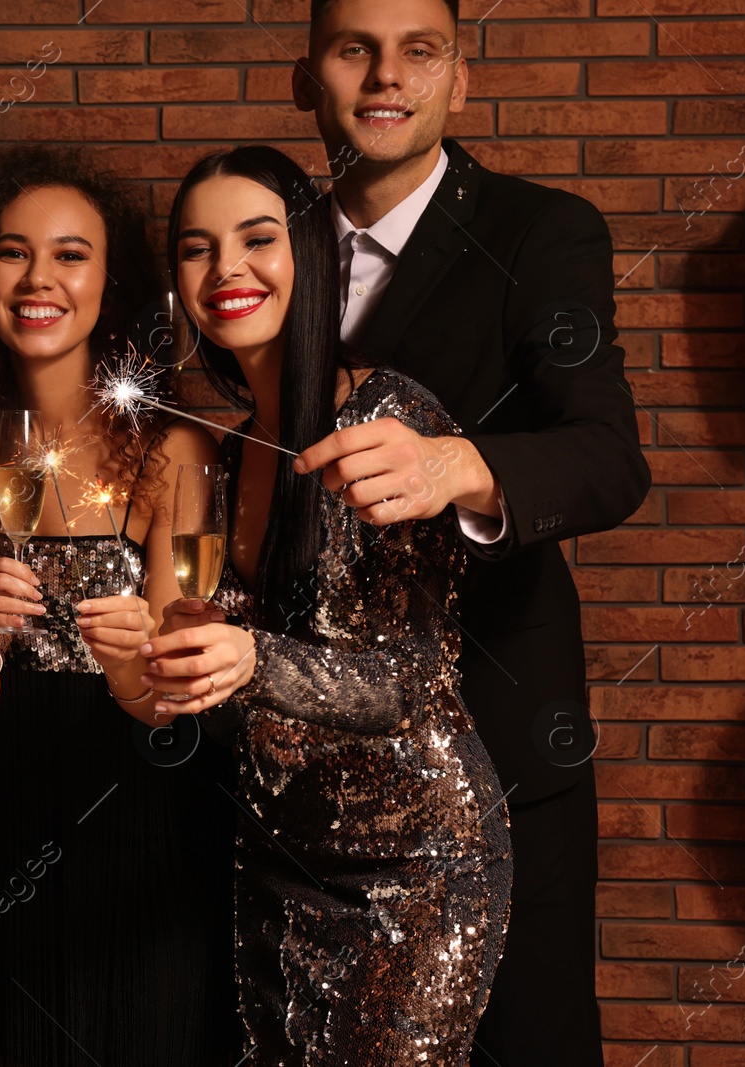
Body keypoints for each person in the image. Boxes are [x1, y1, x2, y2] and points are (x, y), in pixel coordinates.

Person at [287, 2, 650, 1061]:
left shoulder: (542, 230)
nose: (385, 77)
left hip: (493, 748)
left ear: (460, 79)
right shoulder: (267, 238)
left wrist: (459, 465)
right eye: (354, 49)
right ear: (306, 79)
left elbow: (607, 455)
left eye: (419, 51)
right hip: (307, 770)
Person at [141, 144, 513, 1062]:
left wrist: (253, 657)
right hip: (276, 863)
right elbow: (235, 686)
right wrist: (184, 653)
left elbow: (408, 679)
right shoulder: (223, 456)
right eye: (196, 248)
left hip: (416, 866)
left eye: (256, 238)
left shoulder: (388, 415)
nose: (225, 268)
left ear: (311, 254)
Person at [0, 143, 236, 1064]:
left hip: (130, 828)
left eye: (71, 254)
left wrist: (130, 656)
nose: (39, 277)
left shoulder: (173, 455)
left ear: (110, 280)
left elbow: (176, 697)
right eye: (11, 251)